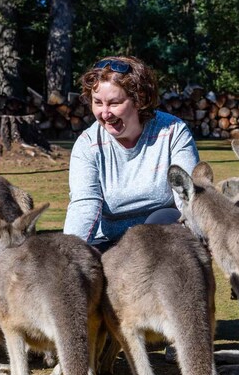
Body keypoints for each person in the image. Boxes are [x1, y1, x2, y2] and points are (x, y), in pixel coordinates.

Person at [63, 55, 199, 251]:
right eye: (98, 103)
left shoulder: (173, 131)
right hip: (110, 243)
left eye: (114, 103)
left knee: (165, 219)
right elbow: (84, 205)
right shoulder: (88, 145)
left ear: (139, 100)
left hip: (161, 241)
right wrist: (69, 254)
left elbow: (188, 197)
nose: (105, 113)